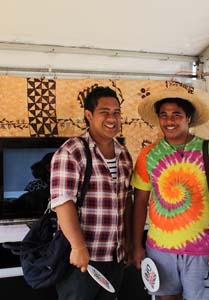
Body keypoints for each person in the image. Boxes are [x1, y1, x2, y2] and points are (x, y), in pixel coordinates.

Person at [131, 86, 209, 300]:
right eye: (164, 115)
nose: (169, 121)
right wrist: (137, 246)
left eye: (176, 114)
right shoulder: (148, 155)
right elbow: (140, 202)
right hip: (159, 250)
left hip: (202, 249)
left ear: (189, 118)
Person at [50, 86, 133, 300]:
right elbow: (62, 202)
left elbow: (126, 202)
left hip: (114, 258)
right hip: (82, 260)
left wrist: (130, 243)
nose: (112, 118)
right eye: (104, 112)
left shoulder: (123, 155)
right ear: (89, 115)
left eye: (116, 112)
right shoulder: (72, 151)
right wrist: (78, 247)